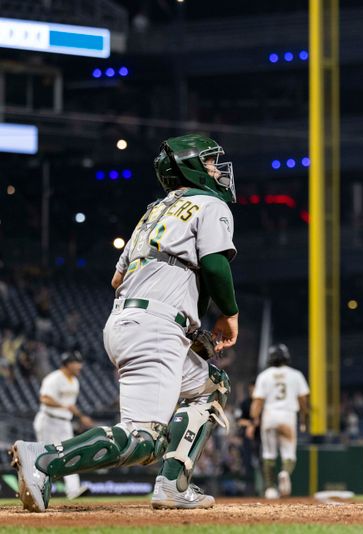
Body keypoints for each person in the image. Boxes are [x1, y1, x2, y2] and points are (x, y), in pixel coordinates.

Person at [10, 134, 239, 513]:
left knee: (212, 386)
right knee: (144, 439)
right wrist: (229, 315)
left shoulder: (152, 212)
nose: (217, 170)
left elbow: (117, 280)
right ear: (192, 167)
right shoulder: (208, 203)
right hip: (155, 329)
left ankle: (174, 483)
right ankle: (43, 458)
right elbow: (215, 265)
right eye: (211, 162)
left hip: (130, 320)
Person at [250, 343, 309, 499]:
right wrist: (304, 417)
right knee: (288, 453)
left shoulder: (264, 375)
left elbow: (257, 402)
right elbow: (303, 400)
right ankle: (284, 473)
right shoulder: (296, 375)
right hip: (288, 415)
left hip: (269, 415)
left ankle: (270, 488)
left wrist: (253, 419)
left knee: (269, 453)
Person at [34, 351, 93, 500]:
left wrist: (81, 417)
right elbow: (44, 399)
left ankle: (73, 490)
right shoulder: (54, 378)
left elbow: (70, 405)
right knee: (45, 456)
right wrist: (62, 405)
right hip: (48, 420)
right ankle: (38, 489)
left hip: (64, 423)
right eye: (76, 362)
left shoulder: (74, 381)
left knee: (71, 454)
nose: (80, 366)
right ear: (67, 364)